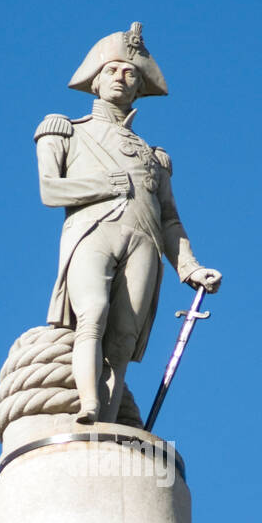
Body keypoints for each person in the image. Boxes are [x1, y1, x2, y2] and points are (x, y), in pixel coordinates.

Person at [34, 22, 221, 424]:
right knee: (93, 314)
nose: (121, 77)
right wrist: (102, 184)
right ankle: (86, 404)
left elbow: (170, 219)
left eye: (130, 73)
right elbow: (50, 191)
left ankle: (107, 415)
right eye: (112, 71)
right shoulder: (64, 130)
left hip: (145, 243)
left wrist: (190, 268)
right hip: (93, 231)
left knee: (122, 341)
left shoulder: (155, 158)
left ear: (139, 87)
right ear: (96, 80)